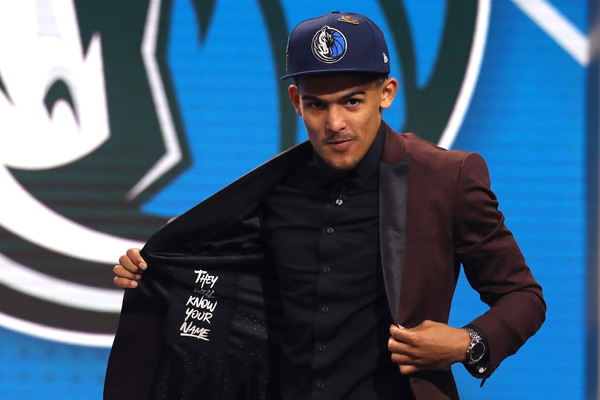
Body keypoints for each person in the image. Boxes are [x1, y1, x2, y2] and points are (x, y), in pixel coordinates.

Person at [105, 11, 545, 400]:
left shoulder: (447, 177)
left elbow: (523, 296)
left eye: (352, 101)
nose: (335, 123)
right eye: (317, 105)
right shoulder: (273, 190)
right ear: (297, 103)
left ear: (386, 93)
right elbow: (214, 272)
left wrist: (468, 343)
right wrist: (150, 267)